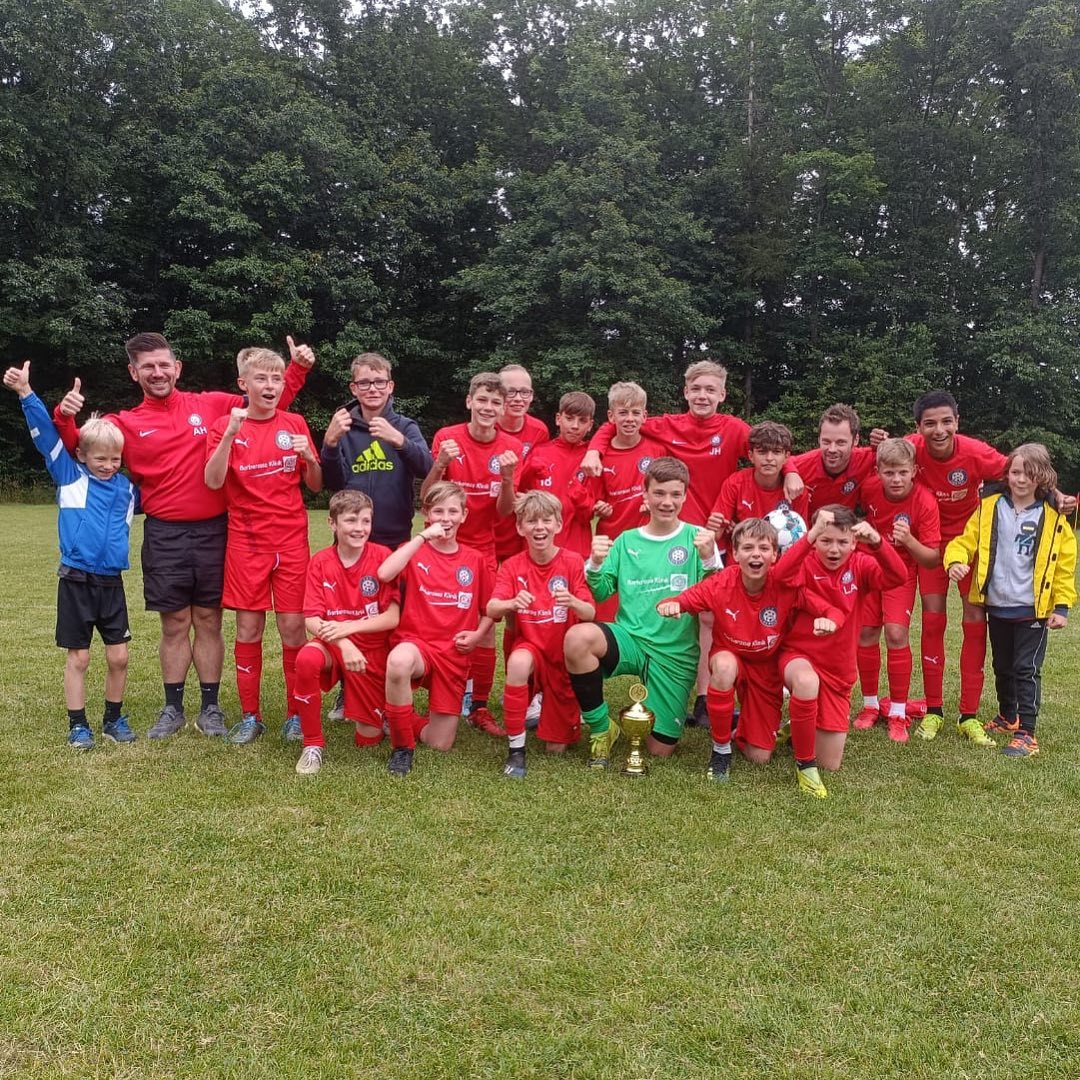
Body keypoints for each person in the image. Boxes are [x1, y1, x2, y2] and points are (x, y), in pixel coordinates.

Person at [51, 332, 312, 738]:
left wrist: (297, 370)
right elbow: (83, 449)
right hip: (164, 533)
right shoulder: (126, 422)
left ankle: (211, 708)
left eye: (163, 364)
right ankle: (172, 708)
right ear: (133, 372)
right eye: (148, 367)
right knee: (174, 623)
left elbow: (266, 401)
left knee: (208, 619)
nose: (157, 372)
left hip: (215, 530)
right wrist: (64, 418)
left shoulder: (212, 405)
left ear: (177, 367)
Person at [5, 361, 139, 750]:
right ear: (81, 454)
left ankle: (113, 719)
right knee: (79, 658)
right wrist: (26, 394)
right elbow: (46, 436)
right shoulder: (70, 476)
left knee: (119, 657)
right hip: (76, 580)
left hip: (111, 583)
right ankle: (78, 725)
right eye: (100, 459)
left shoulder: (127, 490)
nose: (108, 466)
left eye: (115, 459)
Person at [564, 457, 720, 768]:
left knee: (659, 749)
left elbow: (715, 597)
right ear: (645, 494)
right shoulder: (627, 541)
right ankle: (601, 728)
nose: (667, 502)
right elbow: (601, 591)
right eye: (659, 493)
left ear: (685, 496)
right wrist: (595, 564)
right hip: (630, 639)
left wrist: (708, 560)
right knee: (578, 638)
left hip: (674, 652)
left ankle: (660, 709)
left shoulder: (699, 540)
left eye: (675, 494)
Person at [204, 347, 322, 744]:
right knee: (249, 627)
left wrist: (310, 458)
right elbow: (213, 481)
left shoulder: (295, 423)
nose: (270, 385)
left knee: (293, 628)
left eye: (276, 379)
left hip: (290, 540)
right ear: (244, 384)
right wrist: (230, 435)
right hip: (247, 542)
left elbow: (316, 485)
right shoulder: (225, 426)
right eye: (261, 378)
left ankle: (295, 713)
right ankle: (250, 716)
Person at [657, 518, 831, 783]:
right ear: (735, 554)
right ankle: (720, 750)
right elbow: (684, 599)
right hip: (732, 657)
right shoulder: (721, 583)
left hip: (766, 669)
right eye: (748, 548)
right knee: (724, 667)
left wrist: (829, 618)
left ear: (775, 555)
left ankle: (741, 729)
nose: (756, 554)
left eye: (764, 548)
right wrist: (672, 605)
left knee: (759, 756)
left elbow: (826, 608)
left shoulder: (784, 584)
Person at [943, 443, 1076, 758]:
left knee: (1025, 669)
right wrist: (955, 560)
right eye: (1016, 472)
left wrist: (1061, 606)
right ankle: (1007, 716)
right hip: (997, 604)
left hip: (1032, 608)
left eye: (1029, 474)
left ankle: (1027, 733)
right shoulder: (990, 506)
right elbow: (966, 540)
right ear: (1007, 474)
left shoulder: (1053, 515)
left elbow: (1064, 563)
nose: (1021, 479)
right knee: (1002, 665)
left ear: (1042, 477)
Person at [772, 506, 907, 798]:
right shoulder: (805, 562)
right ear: (816, 540)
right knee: (806, 682)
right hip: (799, 656)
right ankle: (805, 767)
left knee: (831, 764)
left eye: (842, 542)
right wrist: (811, 535)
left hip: (838, 670)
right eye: (826, 540)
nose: (834, 549)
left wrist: (878, 542)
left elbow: (898, 577)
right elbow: (780, 577)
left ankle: (800, 725)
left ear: (854, 542)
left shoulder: (861, 565)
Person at [422, 372, 520, 735]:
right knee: (435, 617)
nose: (488, 407)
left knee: (486, 624)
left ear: (503, 409)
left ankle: (478, 706)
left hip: (482, 548)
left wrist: (507, 477)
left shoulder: (510, 447)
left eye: (496, 402)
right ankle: (435, 692)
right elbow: (427, 498)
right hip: (440, 544)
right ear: (469, 402)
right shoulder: (447, 437)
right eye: (482, 400)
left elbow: (505, 512)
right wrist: (439, 464)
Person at [378, 482, 496, 777]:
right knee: (399, 661)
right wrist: (421, 537)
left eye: (453, 511)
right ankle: (402, 747)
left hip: (453, 653)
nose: (446, 518)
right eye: (438, 511)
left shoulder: (474, 560)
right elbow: (384, 573)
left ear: (464, 515)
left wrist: (477, 635)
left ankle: (397, 716)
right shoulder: (413, 551)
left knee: (440, 743)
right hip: (417, 644)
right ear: (427, 514)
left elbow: (490, 610)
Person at [488, 492, 596, 777]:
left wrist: (573, 601)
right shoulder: (513, 565)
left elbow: (589, 613)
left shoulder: (572, 561)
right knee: (518, 662)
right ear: (519, 527)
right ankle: (516, 750)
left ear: (558, 525)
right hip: (531, 648)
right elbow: (491, 607)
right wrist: (511, 603)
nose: (539, 527)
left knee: (556, 748)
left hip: (562, 658)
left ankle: (556, 714)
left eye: (546, 520)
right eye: (531, 521)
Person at [293, 491, 400, 775]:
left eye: (366, 521)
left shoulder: (382, 556)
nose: (359, 528)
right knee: (306, 659)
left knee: (368, 739)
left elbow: (392, 617)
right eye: (351, 520)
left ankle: (384, 712)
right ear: (332, 523)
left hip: (371, 649)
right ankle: (312, 744)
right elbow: (312, 619)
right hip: (333, 644)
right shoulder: (320, 561)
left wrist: (350, 628)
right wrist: (344, 642)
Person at [854, 439, 941, 741]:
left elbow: (931, 558)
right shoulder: (868, 488)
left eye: (902, 472)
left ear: (914, 471)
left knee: (895, 633)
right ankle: (870, 705)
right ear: (878, 471)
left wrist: (908, 541)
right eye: (889, 473)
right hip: (869, 567)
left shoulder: (925, 501)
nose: (896, 479)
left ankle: (898, 712)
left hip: (900, 572)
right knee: (866, 633)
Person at [319, 351, 432, 549]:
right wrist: (330, 444)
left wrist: (400, 441)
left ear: (390, 386)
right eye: (364, 383)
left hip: (395, 538)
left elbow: (427, 468)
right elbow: (333, 482)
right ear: (354, 389)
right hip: (350, 536)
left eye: (379, 382)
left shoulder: (405, 427)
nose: (373, 389)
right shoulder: (342, 427)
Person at [591, 381, 666, 621]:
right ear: (611, 416)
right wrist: (598, 506)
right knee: (609, 610)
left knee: (646, 603)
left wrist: (654, 505)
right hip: (612, 542)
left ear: (645, 416)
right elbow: (593, 497)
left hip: (648, 542)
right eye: (623, 412)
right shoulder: (601, 456)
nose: (630, 419)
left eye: (635, 412)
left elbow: (668, 491)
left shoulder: (657, 450)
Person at [517, 391, 599, 558]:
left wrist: (578, 495)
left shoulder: (592, 458)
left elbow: (589, 515)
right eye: (569, 418)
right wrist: (528, 471)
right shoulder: (539, 452)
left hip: (577, 550)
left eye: (582, 421)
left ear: (590, 425)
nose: (575, 426)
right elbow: (519, 500)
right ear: (558, 419)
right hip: (539, 550)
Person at [708, 420, 810, 551]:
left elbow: (801, 539)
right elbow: (716, 533)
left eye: (776, 452)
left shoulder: (796, 490)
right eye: (762, 452)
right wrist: (713, 527)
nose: (769, 458)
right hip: (741, 559)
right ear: (751, 456)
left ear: (786, 457)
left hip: (781, 560)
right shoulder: (735, 483)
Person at [494, 364, 550, 562]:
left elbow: (539, 475)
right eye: (511, 392)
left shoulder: (539, 430)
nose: (518, 398)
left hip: (521, 518)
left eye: (525, 392)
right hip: (488, 516)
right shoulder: (487, 425)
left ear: (532, 395)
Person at [788, 404, 877, 516]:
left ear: (855, 440)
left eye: (840, 442)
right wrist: (790, 472)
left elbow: (896, 455)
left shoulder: (865, 459)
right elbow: (781, 461)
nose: (832, 449)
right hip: (807, 526)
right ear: (819, 439)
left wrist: (885, 442)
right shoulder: (802, 464)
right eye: (826, 442)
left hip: (845, 525)